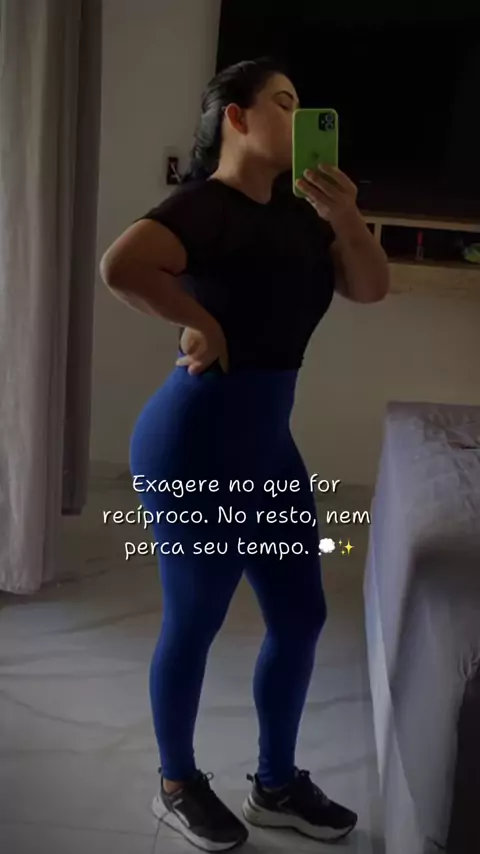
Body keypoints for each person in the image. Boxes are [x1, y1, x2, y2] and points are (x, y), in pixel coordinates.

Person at [100, 57, 389, 852]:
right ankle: (176, 783)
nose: (301, 118)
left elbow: (370, 288)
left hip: (266, 446)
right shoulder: (202, 205)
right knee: (196, 618)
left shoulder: (303, 215)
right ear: (235, 116)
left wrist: (347, 217)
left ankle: (276, 784)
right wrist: (202, 321)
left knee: (300, 615)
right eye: (285, 103)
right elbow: (121, 266)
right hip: (195, 445)